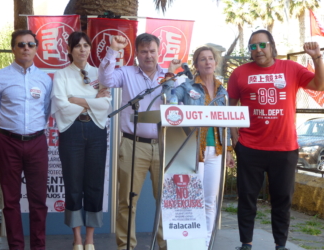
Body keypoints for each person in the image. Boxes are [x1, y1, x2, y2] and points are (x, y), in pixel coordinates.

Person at [227, 29, 324, 250]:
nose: (258, 50)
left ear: (271, 45)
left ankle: (280, 245)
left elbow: (320, 85)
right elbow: (230, 108)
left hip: (284, 148)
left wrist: (317, 58)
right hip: (250, 147)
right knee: (247, 198)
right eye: (253, 47)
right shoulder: (239, 73)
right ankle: (246, 243)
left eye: (262, 45)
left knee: (282, 200)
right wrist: (235, 139)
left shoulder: (291, 68)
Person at [98, 33, 179, 250]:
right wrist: (113, 50)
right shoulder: (125, 73)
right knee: (127, 201)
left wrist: (174, 79)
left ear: (158, 51)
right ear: (136, 53)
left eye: (152, 51)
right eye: (143, 51)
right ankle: (126, 247)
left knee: (166, 202)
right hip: (134, 144)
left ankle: (166, 246)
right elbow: (106, 80)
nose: (148, 56)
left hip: (165, 145)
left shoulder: (170, 76)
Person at [0, 29, 52, 250]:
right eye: (21, 44)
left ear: (36, 48)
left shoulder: (44, 80)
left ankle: (38, 246)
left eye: (30, 44)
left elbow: (46, 111)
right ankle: (16, 246)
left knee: (39, 201)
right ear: (13, 48)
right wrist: (11, 130)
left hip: (37, 142)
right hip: (8, 143)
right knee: (11, 200)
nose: (26, 48)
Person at [162, 46, 235, 248]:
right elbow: (170, 102)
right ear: (196, 65)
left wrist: (229, 151)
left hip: (217, 151)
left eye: (210, 58)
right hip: (194, 151)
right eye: (202, 59)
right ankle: (190, 244)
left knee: (210, 201)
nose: (207, 62)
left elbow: (226, 123)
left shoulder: (223, 91)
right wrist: (170, 73)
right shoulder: (188, 87)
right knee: (193, 201)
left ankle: (205, 243)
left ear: (215, 62)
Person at [51, 31, 111, 250]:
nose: (83, 49)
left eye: (86, 45)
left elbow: (106, 104)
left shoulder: (100, 73)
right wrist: (91, 100)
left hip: (96, 129)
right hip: (72, 130)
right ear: (69, 50)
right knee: (74, 184)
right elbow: (61, 104)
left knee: (95, 184)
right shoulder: (62, 75)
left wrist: (77, 99)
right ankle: (77, 238)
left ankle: (90, 239)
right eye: (78, 46)